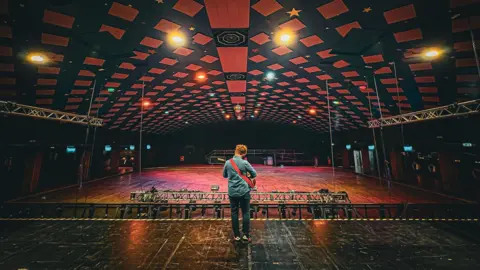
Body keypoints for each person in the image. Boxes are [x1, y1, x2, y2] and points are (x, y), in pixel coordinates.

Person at [223, 144, 257, 243]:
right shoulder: (245, 163)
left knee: (234, 213)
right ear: (244, 153)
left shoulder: (228, 163)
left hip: (232, 192)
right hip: (244, 191)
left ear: (236, 151)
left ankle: (237, 236)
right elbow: (254, 174)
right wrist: (246, 174)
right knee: (246, 212)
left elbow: (224, 175)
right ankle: (245, 235)